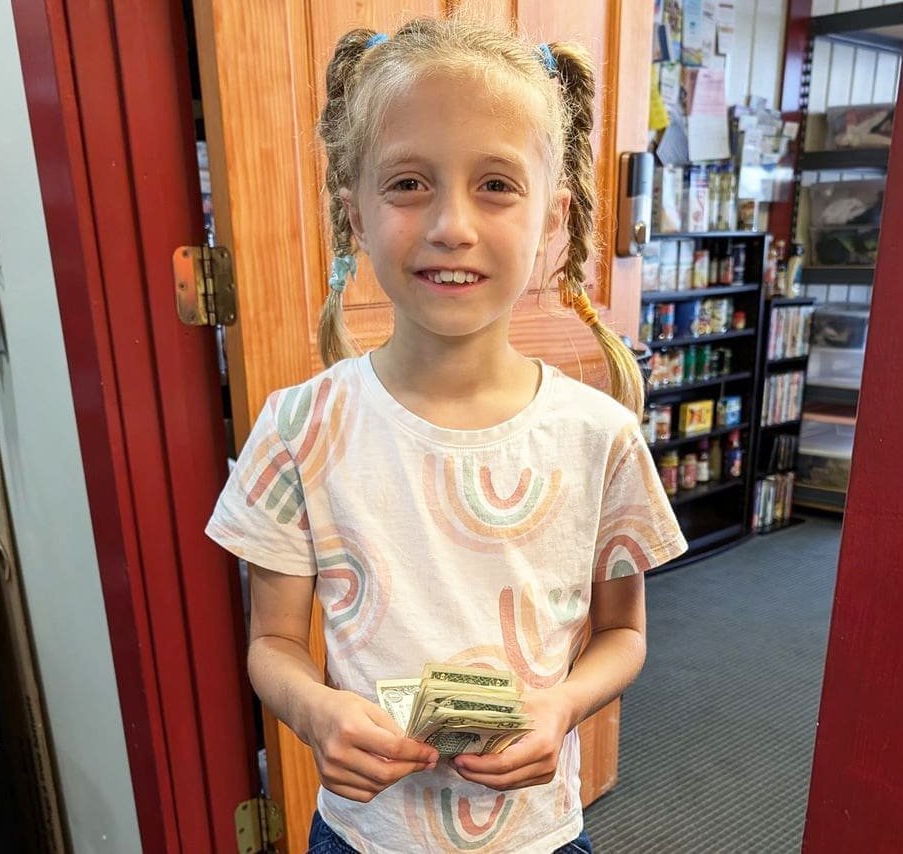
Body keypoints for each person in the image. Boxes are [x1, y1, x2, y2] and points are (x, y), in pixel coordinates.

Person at [205, 16, 687, 854]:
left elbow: (624, 634)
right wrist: (315, 710)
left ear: (553, 219)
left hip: (539, 835)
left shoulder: (599, 437)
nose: (451, 225)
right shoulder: (297, 429)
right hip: (363, 835)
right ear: (355, 215)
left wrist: (564, 705)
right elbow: (273, 642)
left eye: (496, 184)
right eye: (408, 184)